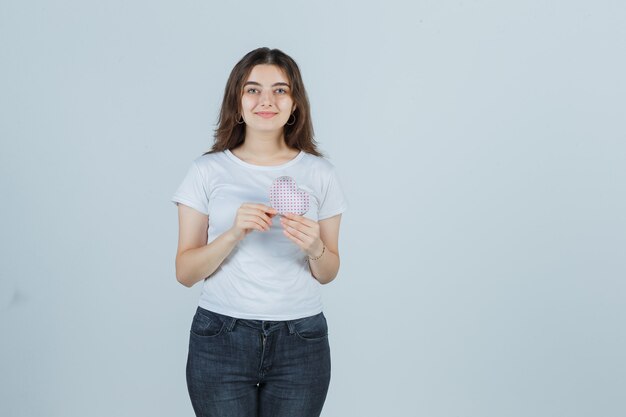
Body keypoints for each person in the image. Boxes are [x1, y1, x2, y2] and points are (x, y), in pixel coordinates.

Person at [170, 47, 349, 417]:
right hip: (220, 338)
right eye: (253, 90)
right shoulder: (206, 171)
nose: (266, 100)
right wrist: (235, 232)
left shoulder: (320, 174)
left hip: (302, 340)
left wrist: (315, 246)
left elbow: (328, 272)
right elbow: (185, 273)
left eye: (280, 90)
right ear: (236, 102)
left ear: (295, 102)